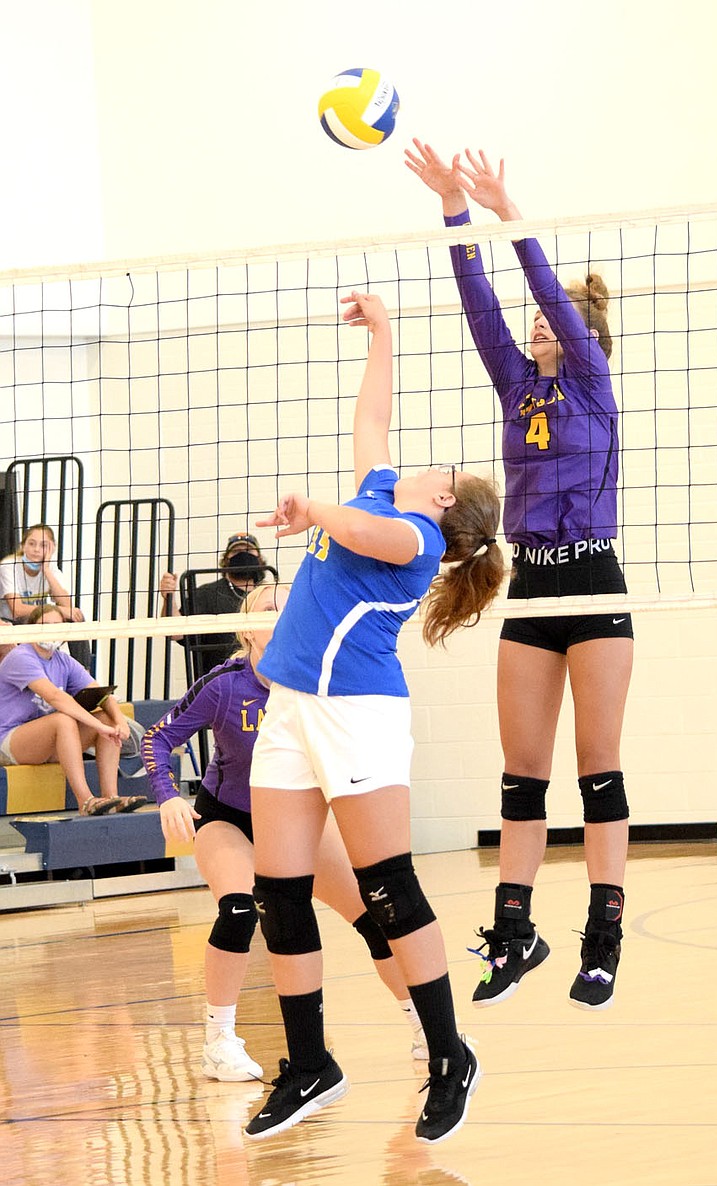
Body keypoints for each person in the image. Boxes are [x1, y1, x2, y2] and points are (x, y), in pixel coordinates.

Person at [243, 290, 504, 1145]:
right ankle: (311, 1062)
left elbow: (363, 534)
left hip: (358, 716)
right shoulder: (384, 490)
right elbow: (373, 417)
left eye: (441, 473)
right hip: (291, 705)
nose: (425, 465)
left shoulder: (418, 542)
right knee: (279, 894)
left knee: (389, 889)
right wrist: (384, 332)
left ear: (443, 506)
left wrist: (310, 511)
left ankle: (448, 1055)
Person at [405, 142, 633, 1012]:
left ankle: (603, 939)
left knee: (599, 769)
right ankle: (515, 933)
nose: (541, 325)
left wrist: (510, 214)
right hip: (534, 586)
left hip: (595, 585)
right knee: (521, 775)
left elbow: (546, 298)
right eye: (541, 320)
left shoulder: (594, 386)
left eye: (558, 319)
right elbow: (480, 307)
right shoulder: (518, 390)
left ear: (583, 338)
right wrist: (455, 214)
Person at [142, 582, 431, 1083]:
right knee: (238, 909)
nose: (277, 614)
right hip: (229, 818)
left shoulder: (317, 683)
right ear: (244, 628)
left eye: (285, 605)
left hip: (296, 823)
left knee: (374, 918)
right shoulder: (224, 684)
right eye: (265, 608)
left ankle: (424, 1029)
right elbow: (157, 737)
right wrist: (168, 794)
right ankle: (219, 1040)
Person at [0, 604, 148, 815]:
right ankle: (86, 801)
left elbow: (101, 694)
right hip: (8, 740)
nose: (51, 631)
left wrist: (118, 721)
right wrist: (97, 726)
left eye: (56, 626)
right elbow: (55, 697)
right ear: (31, 628)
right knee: (64, 719)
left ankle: (111, 798)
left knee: (106, 717)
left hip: (43, 741)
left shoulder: (63, 661)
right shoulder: (20, 657)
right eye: (45, 625)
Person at [159, 533, 278, 677]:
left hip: (265, 680)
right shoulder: (206, 593)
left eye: (248, 550)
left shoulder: (269, 594)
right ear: (226, 559)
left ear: (259, 558)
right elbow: (175, 633)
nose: (242, 555)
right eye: (236, 552)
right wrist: (168, 597)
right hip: (218, 681)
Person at [0, 524, 92, 670]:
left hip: (37, 621)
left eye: (43, 545)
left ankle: (84, 675)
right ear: (23, 546)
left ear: (52, 548)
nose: (36, 549)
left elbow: (68, 606)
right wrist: (59, 611)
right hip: (11, 622)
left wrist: (47, 570)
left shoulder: (50, 568)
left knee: (75, 617)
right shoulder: (9, 566)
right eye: (31, 544)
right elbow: (16, 610)